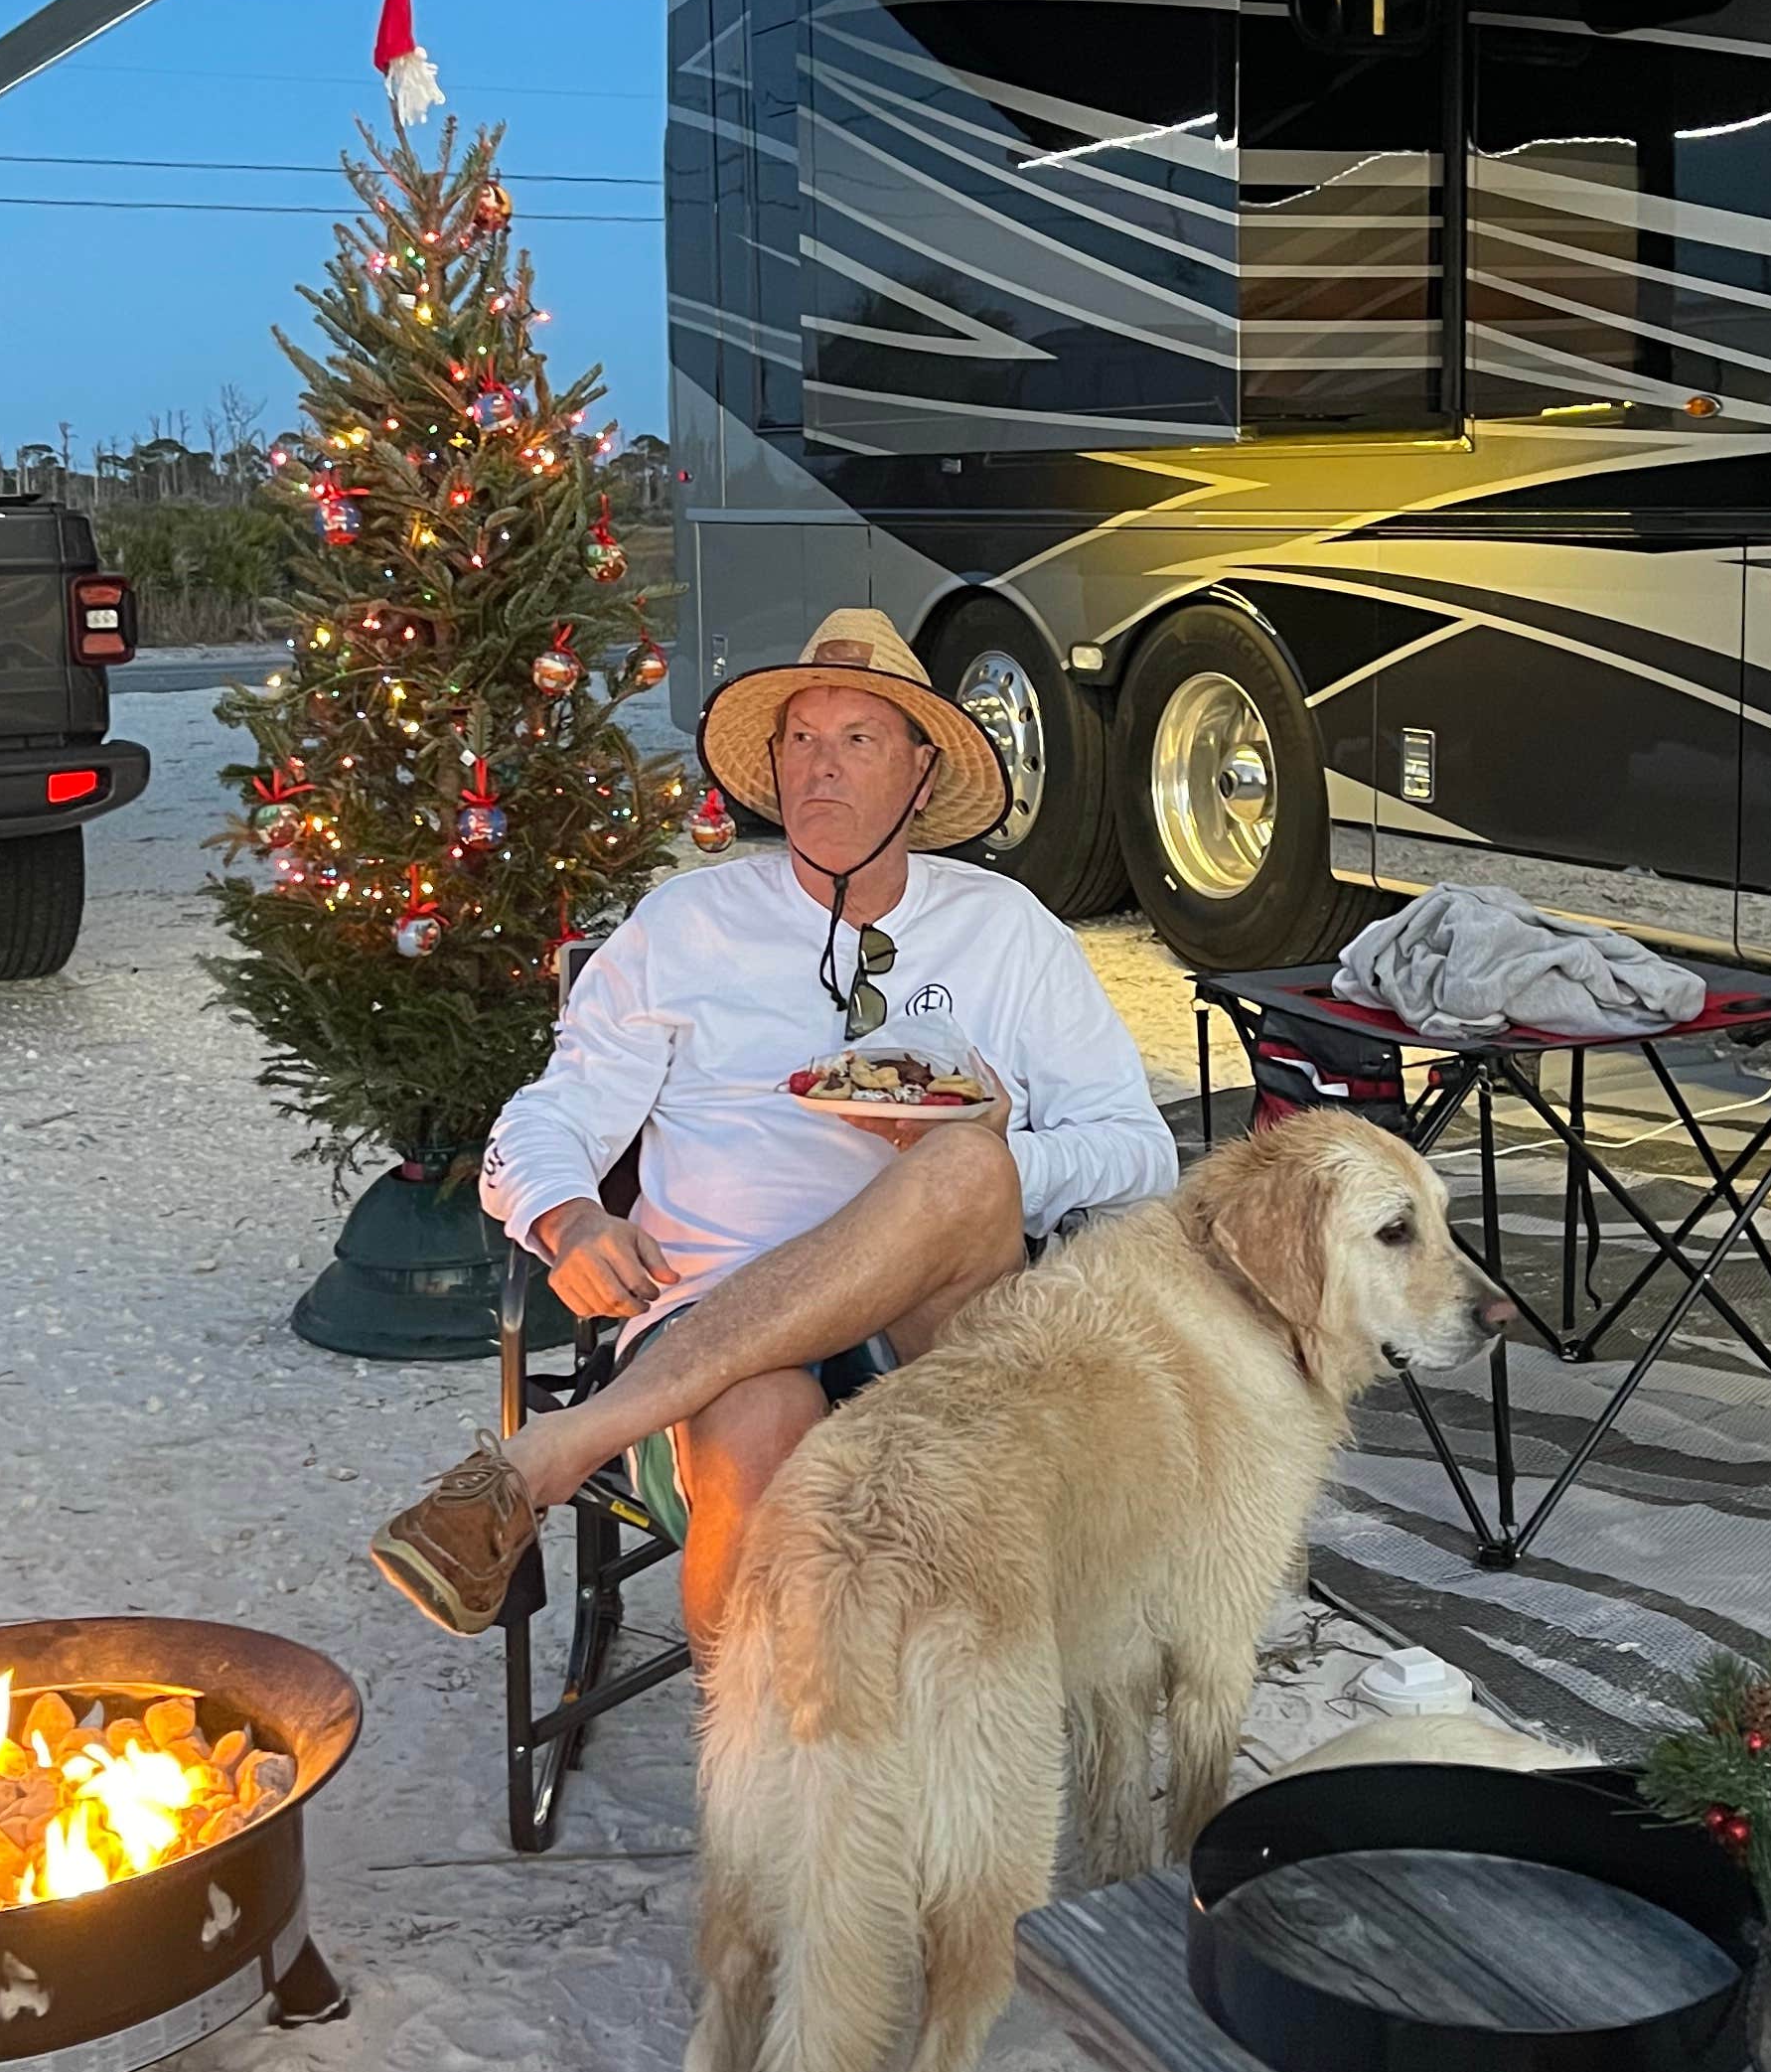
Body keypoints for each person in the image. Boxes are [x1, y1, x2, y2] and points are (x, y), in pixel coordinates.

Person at [369, 608, 1177, 1648]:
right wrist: (569, 1220)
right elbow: (551, 1112)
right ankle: (760, 1748)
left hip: (943, 1334)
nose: (820, 768)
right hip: (713, 1316)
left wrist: (979, 1160)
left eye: (858, 740)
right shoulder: (686, 924)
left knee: (967, 1169)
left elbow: (1140, 1151)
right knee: (760, 1428)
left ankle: (562, 1446)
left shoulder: (1006, 930)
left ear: (922, 775)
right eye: (801, 739)